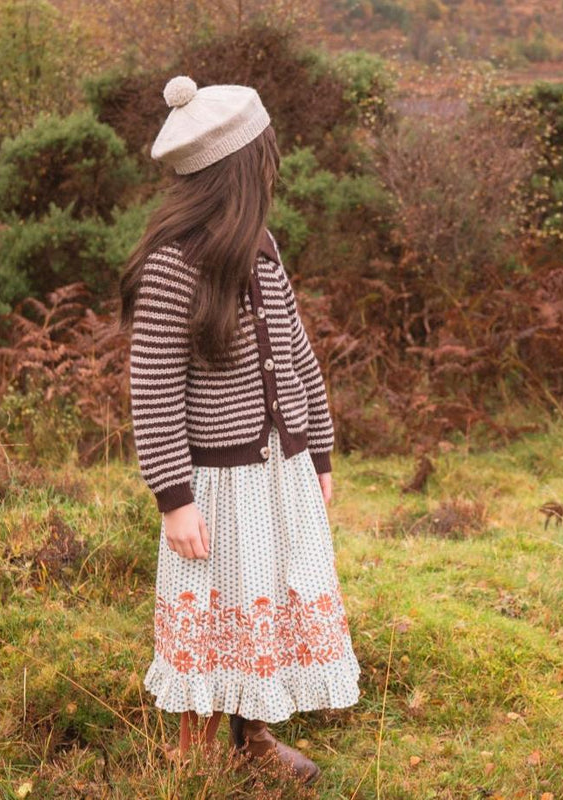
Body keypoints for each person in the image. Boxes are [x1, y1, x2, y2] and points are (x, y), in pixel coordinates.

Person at [118, 75, 361, 786]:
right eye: (264, 159)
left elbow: (298, 353)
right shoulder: (172, 266)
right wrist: (173, 498)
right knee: (211, 609)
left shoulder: (263, 249)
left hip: (276, 471)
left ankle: (252, 732)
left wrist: (319, 448)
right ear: (237, 170)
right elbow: (154, 393)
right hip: (213, 484)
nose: (270, 171)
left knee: (265, 600)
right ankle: (192, 752)